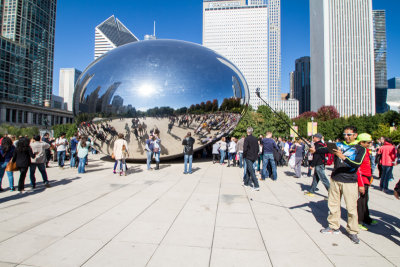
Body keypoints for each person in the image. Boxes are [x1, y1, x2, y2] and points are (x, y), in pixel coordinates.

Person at [321, 126, 366, 244]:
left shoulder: (360, 148)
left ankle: (352, 231)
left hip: (350, 181)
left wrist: (342, 157)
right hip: (336, 179)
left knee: (351, 208)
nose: (346, 136)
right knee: (333, 204)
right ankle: (333, 226)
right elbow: (324, 150)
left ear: (355, 135)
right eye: (345, 134)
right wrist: (315, 150)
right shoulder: (339, 144)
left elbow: (356, 164)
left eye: (349, 134)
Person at [356, 133, 378, 230]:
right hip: (362, 178)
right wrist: (361, 183)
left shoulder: (365, 150)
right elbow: (358, 168)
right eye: (368, 142)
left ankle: (366, 218)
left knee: (365, 199)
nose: (370, 144)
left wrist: (370, 176)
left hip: (366, 178)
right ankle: (359, 220)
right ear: (362, 142)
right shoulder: (360, 151)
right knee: (361, 200)